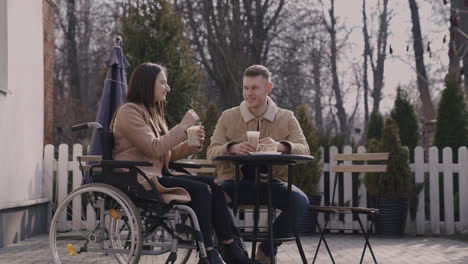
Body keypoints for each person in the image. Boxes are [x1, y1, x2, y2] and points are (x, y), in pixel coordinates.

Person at [111, 62, 253, 264]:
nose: (167, 88)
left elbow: (164, 154)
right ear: (147, 83)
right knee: (202, 191)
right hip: (139, 179)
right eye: (163, 83)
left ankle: (229, 246)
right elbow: (154, 147)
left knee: (213, 184)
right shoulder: (128, 112)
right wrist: (182, 126)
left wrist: (190, 145)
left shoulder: (152, 113)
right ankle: (209, 253)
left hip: (156, 175)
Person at [207, 64, 310, 263]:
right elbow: (211, 152)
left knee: (300, 201)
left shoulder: (286, 117)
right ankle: (236, 253)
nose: (249, 93)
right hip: (234, 182)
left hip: (272, 183)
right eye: (246, 88)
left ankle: (266, 249)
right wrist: (231, 148)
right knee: (216, 197)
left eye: (254, 88)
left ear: (268, 88)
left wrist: (281, 146)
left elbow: (304, 149)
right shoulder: (228, 116)